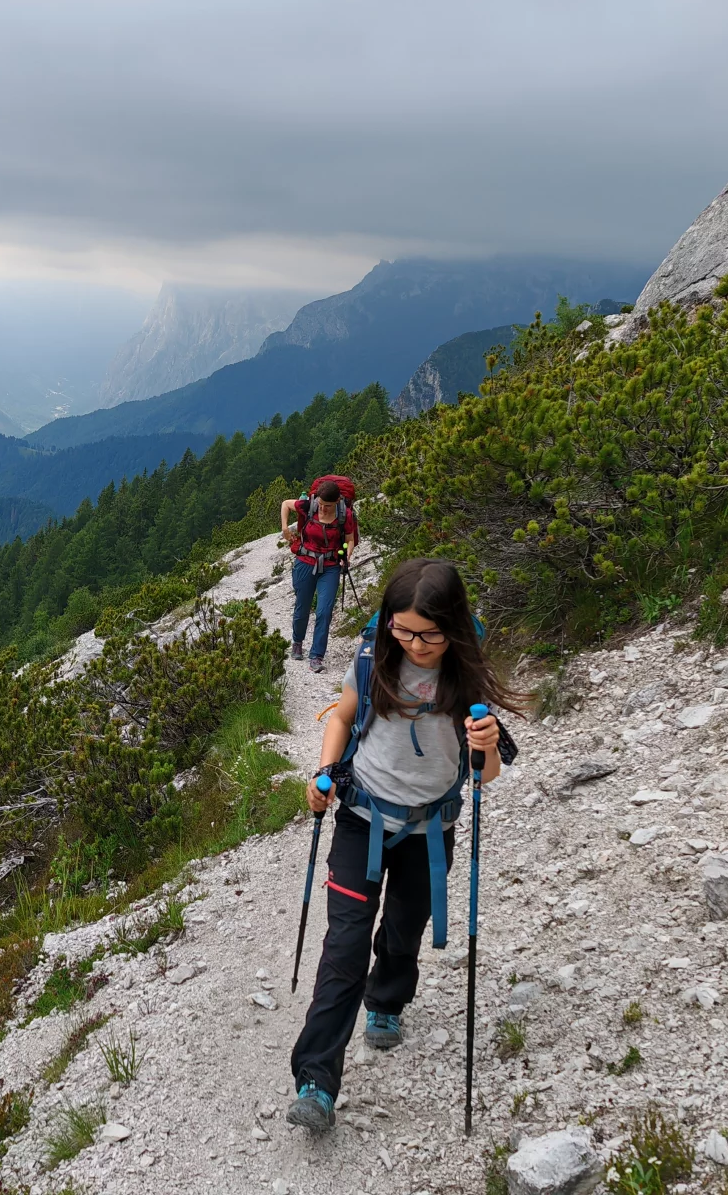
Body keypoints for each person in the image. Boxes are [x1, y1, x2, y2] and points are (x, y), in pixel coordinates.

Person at [285, 557, 524, 1135]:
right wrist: (322, 774)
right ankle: (315, 1079)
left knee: (403, 926)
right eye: (403, 630)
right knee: (344, 944)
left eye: (428, 634)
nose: (414, 643)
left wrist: (486, 743)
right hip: (361, 819)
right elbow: (342, 719)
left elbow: (485, 776)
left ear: (454, 628)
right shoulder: (372, 659)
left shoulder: (467, 679)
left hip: (429, 832)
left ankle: (387, 1000)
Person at [279, 478, 359, 673]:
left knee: (324, 611)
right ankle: (297, 642)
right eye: (321, 505)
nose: (322, 509)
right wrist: (284, 528)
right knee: (302, 607)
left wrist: (348, 553)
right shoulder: (309, 505)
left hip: (331, 565)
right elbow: (286, 504)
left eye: (327, 506)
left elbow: (349, 539)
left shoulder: (344, 514)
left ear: (338, 501)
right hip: (305, 561)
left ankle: (316, 656)